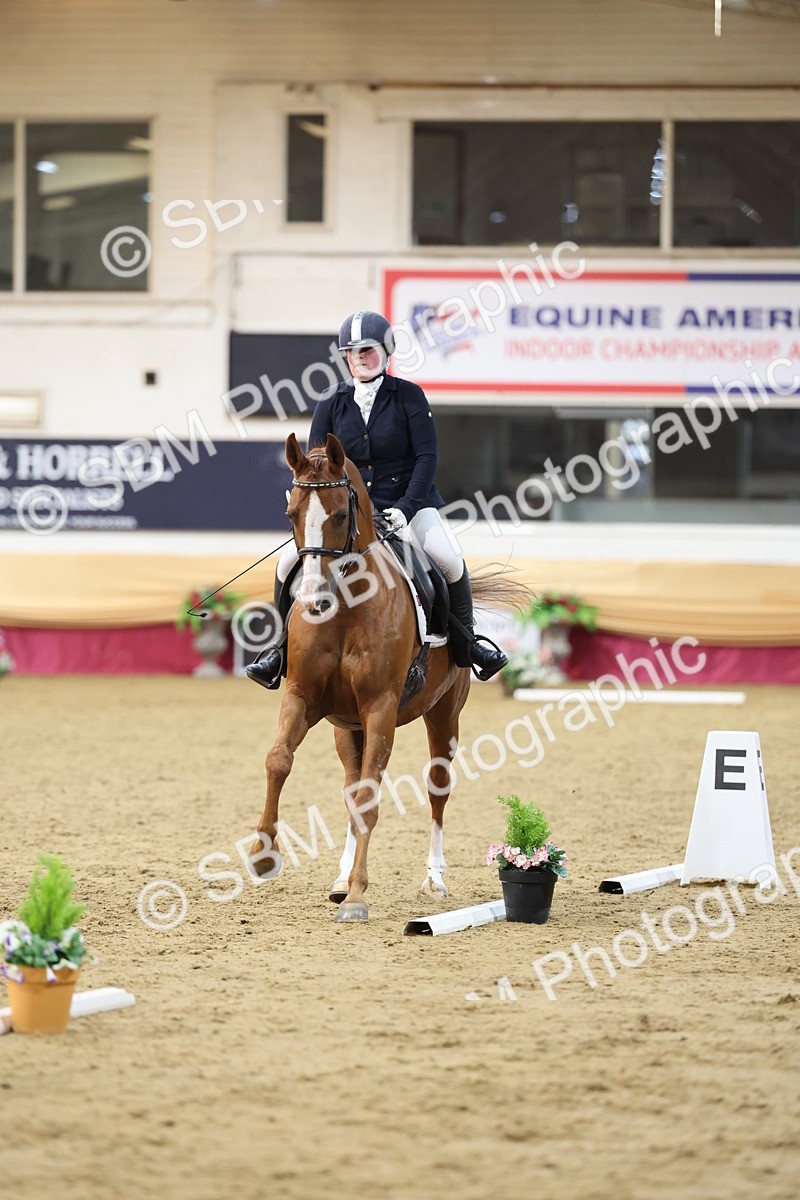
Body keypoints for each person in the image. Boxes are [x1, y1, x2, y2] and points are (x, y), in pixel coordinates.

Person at [246, 309, 507, 688]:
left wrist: (406, 507)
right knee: (288, 564)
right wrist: (305, 488)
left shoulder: (409, 397)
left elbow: (427, 458)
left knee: (448, 559)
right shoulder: (331, 400)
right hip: (346, 512)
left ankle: (469, 646)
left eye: (367, 350)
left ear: (387, 352)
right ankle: (279, 649)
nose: (360, 357)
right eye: (352, 352)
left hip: (407, 504)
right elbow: (317, 461)